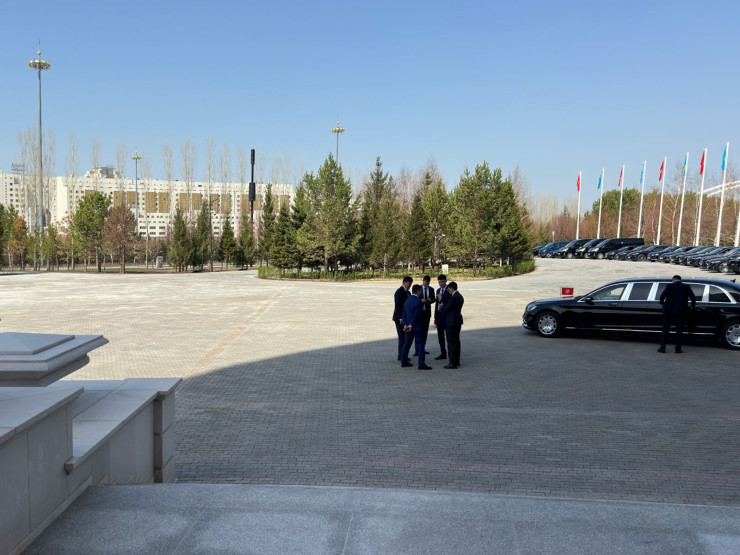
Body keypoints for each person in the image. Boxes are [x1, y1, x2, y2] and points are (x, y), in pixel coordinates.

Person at [658, 275, 696, 354]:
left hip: (669, 311)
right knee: (679, 331)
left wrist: (662, 303)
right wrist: (692, 306)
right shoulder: (686, 287)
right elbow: (693, 297)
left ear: (673, 279)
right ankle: (678, 349)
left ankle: (662, 348)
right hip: (681, 312)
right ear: (680, 280)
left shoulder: (669, 286)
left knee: (665, 330)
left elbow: (662, 296)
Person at [400, 284, 432, 370]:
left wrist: (405, 324)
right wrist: (411, 324)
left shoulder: (407, 301)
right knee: (420, 345)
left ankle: (403, 361)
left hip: (408, 327)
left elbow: (404, 315)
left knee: (406, 344)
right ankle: (421, 364)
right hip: (416, 327)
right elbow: (416, 315)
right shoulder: (418, 302)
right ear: (418, 291)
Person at [439, 281, 464, 369]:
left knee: (451, 342)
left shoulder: (454, 297)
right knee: (457, 341)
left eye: (448, 289)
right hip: (458, 320)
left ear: (451, 288)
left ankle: (452, 363)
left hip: (452, 321)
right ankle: (457, 360)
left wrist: (441, 306)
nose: (448, 290)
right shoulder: (460, 296)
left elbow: (447, 308)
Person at [393, 276, 413, 361]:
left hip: (406, 318)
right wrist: (400, 318)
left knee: (405, 338)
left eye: (410, 284)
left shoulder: (408, 292)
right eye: (408, 283)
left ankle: (403, 355)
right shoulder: (399, 292)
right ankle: (401, 355)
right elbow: (397, 306)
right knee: (402, 337)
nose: (409, 285)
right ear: (404, 282)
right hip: (400, 319)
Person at [414, 275, 434, 357]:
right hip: (419, 313)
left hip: (427, 313)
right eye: (426, 283)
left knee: (425, 332)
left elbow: (434, 299)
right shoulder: (418, 288)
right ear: (423, 281)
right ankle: (417, 350)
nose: (427, 285)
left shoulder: (431, 289)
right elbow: (414, 298)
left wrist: (430, 300)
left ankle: (422, 348)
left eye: (428, 283)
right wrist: (420, 301)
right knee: (418, 331)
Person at [433, 274, 451, 360]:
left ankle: (451, 354)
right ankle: (443, 353)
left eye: (442, 282)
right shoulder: (438, 290)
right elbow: (437, 304)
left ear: (446, 281)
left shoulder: (449, 290)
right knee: (440, 336)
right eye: (439, 282)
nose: (441, 284)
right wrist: (435, 317)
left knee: (448, 336)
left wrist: (441, 299)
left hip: (446, 317)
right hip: (439, 317)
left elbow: (448, 303)